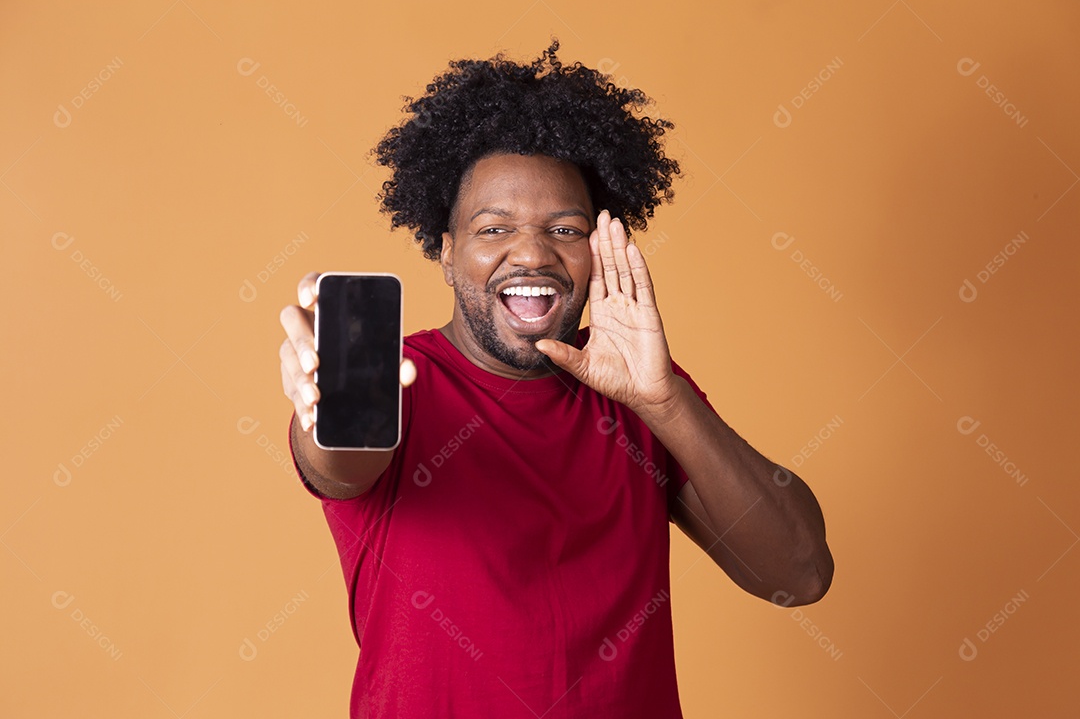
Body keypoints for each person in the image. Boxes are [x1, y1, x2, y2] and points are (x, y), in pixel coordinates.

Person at [278, 40, 833, 718]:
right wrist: (333, 396)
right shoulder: (396, 386)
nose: (533, 253)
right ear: (447, 253)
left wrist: (665, 402)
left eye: (564, 229)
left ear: (598, 251)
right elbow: (342, 463)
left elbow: (799, 574)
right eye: (494, 228)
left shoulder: (640, 391)